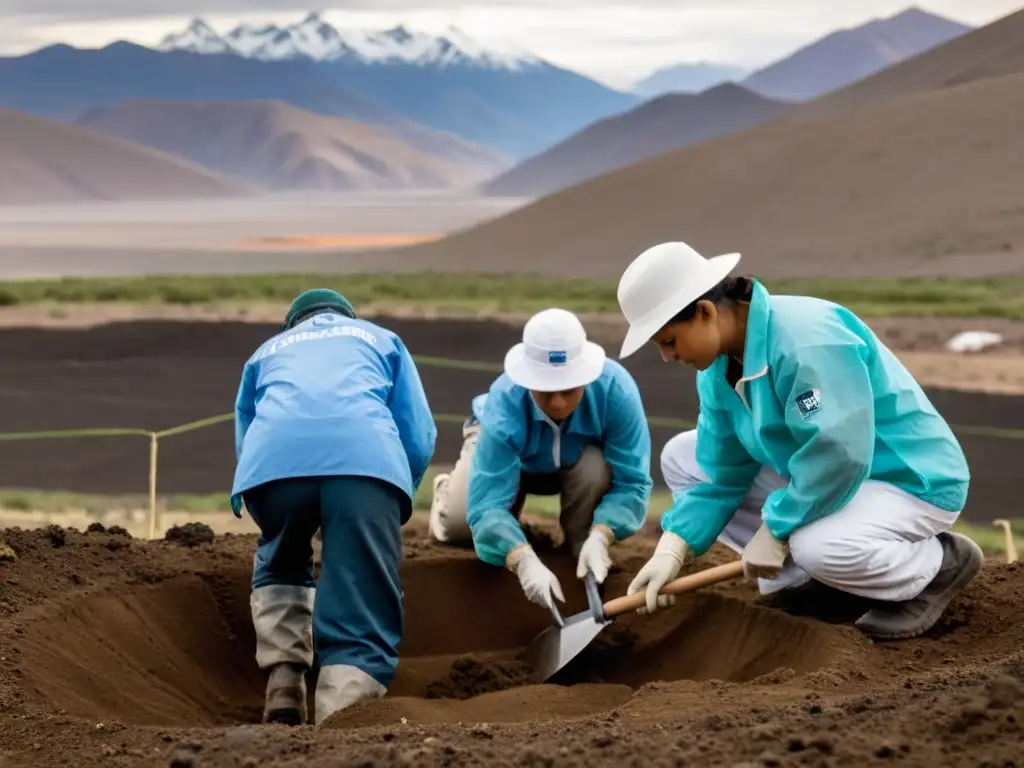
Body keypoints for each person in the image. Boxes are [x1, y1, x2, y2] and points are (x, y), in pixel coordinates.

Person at [615, 241, 982, 640]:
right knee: (684, 457)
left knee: (817, 547)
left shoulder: (805, 340)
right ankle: (803, 582)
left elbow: (840, 453)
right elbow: (722, 473)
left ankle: (937, 566)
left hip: (904, 479)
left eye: (669, 342)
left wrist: (775, 528)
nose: (668, 357)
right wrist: (674, 546)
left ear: (704, 312)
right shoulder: (716, 371)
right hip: (828, 476)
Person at [231, 288, 436, 726]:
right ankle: (341, 717)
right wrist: (393, 491)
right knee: (359, 580)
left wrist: (261, 495)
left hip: (271, 471)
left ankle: (284, 681)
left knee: (282, 556)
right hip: (365, 468)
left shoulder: (265, 352)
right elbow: (417, 433)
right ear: (346, 317)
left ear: (293, 324)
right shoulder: (380, 339)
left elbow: (249, 433)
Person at [428, 307, 654, 616]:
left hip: (579, 465)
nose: (558, 402)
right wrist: (522, 558)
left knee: (596, 468)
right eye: (546, 391)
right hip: (513, 466)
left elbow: (632, 482)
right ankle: (450, 492)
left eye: (569, 389)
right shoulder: (503, 402)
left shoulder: (616, 389)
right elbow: (486, 509)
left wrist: (603, 534)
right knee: (462, 523)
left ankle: (582, 540)